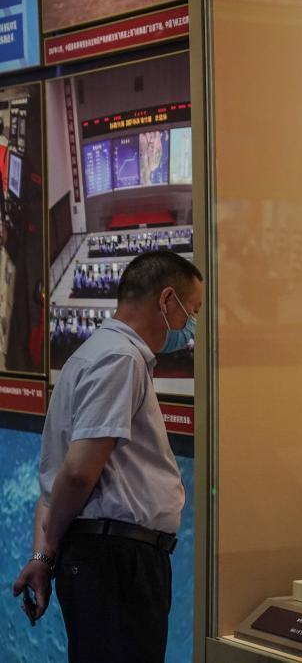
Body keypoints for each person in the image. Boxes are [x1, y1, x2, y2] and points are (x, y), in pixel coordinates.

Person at [11, 250, 202, 662]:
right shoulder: (120, 358)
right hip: (117, 563)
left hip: (105, 560)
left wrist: (43, 555)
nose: (192, 325)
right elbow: (78, 473)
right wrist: (49, 550)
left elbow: (54, 481)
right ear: (167, 300)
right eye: (194, 310)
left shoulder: (90, 354)